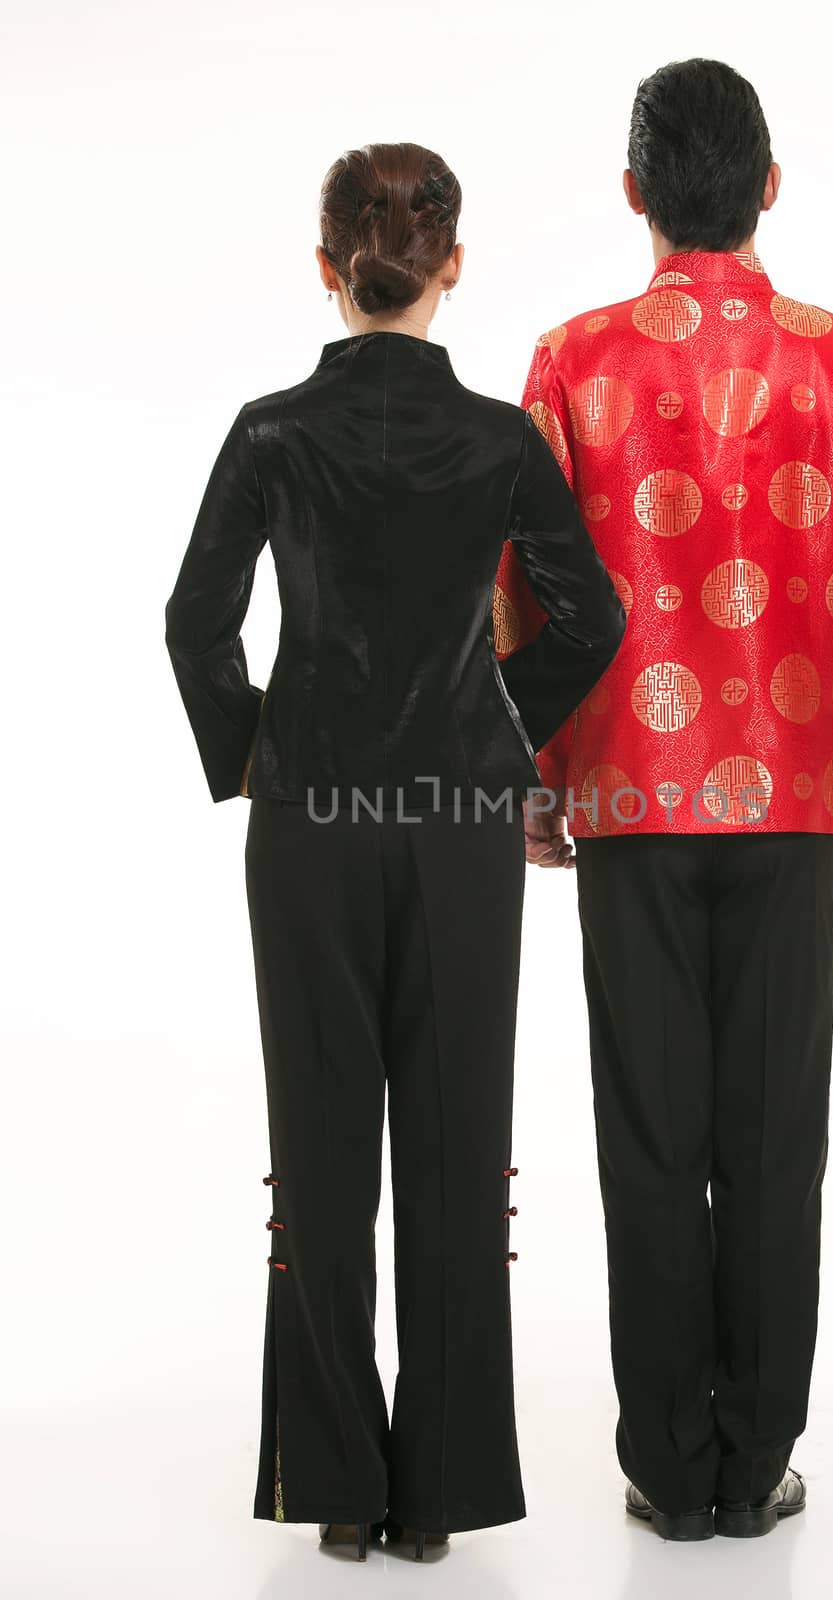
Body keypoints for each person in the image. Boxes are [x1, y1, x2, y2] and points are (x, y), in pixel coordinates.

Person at [495, 59, 833, 1541]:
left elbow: (526, 592)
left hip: (632, 794)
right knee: (771, 1136)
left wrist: (536, 771)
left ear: (636, 192)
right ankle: (753, 1466)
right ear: (768, 182)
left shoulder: (572, 363)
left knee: (648, 1136)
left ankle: (663, 1469)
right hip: (792, 804)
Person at [164, 142, 625, 1562]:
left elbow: (196, 621)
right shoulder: (500, 440)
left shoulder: (269, 432)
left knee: (315, 1150)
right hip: (461, 830)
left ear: (327, 267)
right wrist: (501, 729)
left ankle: (337, 1494)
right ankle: (440, 1497)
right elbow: (592, 616)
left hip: (308, 823)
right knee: (453, 1144)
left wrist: (251, 751)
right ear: (452, 265)